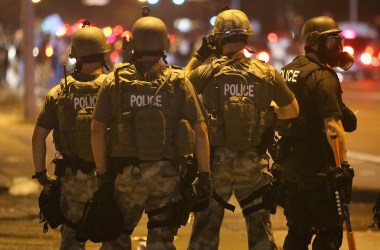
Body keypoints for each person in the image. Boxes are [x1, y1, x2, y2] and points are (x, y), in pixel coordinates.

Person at [91, 14, 212, 250]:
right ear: (164, 45)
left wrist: (104, 175)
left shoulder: (114, 81)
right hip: (166, 177)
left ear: (132, 45)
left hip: (126, 175)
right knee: (162, 241)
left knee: (116, 239)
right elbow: (201, 129)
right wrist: (205, 175)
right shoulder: (178, 82)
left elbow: (96, 130)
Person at [186, 9, 299, 250]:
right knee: (260, 235)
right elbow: (292, 110)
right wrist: (266, 115)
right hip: (252, 163)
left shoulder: (207, 72)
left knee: (205, 234)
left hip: (216, 164)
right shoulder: (267, 72)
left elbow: (180, 88)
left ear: (217, 40)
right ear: (246, 38)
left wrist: (200, 55)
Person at [278, 16, 356, 250]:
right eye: (332, 43)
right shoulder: (324, 77)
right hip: (319, 169)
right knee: (329, 232)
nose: (338, 49)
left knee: (298, 231)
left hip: (291, 167)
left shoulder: (287, 71)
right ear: (314, 43)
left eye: (338, 42)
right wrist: (341, 167)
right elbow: (333, 127)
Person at [31, 22, 111, 249]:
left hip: (72, 177)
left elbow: (38, 137)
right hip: (110, 178)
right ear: (103, 54)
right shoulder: (114, 88)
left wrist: (42, 175)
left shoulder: (58, 92)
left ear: (76, 56)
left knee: (72, 240)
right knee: (115, 237)